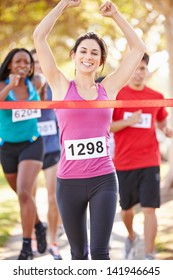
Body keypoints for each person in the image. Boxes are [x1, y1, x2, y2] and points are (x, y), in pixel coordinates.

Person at [33, 0, 145, 260]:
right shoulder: (60, 86)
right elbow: (39, 36)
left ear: (101, 60)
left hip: (103, 179)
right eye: (83, 51)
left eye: (95, 53)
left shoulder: (110, 88)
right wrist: (62, 5)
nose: (88, 56)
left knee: (99, 251)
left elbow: (138, 48)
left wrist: (116, 15)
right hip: (68, 182)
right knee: (78, 254)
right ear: (74, 55)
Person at [110, 53, 173, 260]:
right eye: (135, 69)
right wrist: (129, 121)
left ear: (147, 71)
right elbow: (107, 127)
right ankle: (131, 236)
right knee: (126, 210)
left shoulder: (156, 97)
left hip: (149, 161)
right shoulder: (117, 95)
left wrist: (166, 130)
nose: (138, 73)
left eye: (142, 68)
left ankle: (148, 254)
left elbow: (161, 120)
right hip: (124, 162)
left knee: (149, 209)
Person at [0, 48, 47, 260]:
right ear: (9, 64)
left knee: (24, 191)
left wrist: (42, 89)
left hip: (32, 143)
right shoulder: (2, 85)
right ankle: (38, 225)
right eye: (18, 61)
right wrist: (11, 84)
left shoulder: (35, 82)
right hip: (7, 147)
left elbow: (44, 99)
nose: (23, 65)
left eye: (27, 62)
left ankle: (26, 247)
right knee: (22, 195)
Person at [31, 49, 63, 260]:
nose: (38, 67)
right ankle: (35, 233)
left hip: (52, 149)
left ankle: (53, 241)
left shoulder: (56, 87)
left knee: (54, 197)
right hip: (30, 149)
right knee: (29, 197)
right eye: (34, 63)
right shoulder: (24, 90)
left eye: (41, 62)